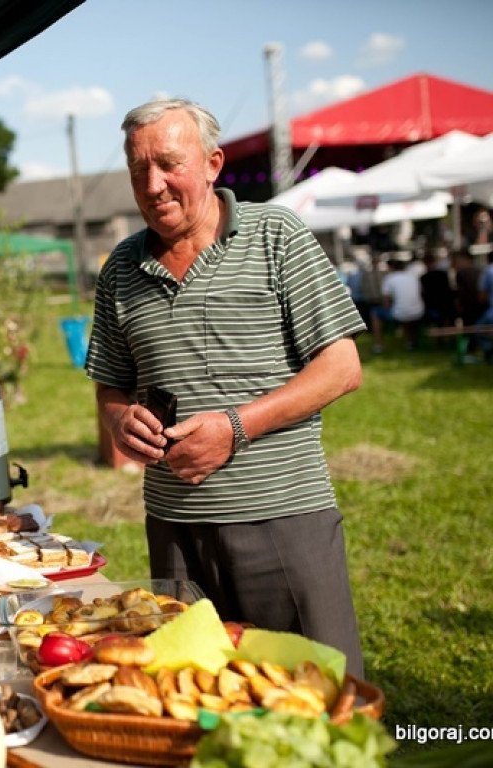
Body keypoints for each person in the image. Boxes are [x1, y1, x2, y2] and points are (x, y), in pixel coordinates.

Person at [86, 97, 365, 678]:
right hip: (174, 533)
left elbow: (342, 366)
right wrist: (119, 421)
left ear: (212, 164)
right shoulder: (119, 268)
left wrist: (235, 428)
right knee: (199, 697)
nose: (154, 184)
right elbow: (111, 385)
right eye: (140, 170)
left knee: (317, 693)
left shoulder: (276, 235)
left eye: (169, 164)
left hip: (283, 519)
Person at [371, 256, 425, 352]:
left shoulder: (390, 278)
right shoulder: (413, 277)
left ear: (391, 268)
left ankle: (378, 344)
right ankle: (410, 342)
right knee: (405, 313)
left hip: (401, 313)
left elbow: (385, 302)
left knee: (375, 313)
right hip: (419, 311)